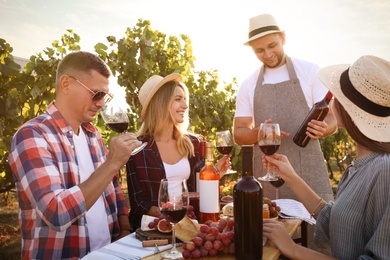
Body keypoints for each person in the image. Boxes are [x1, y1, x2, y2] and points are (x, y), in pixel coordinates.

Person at [8, 51, 142, 259]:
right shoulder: (32, 136)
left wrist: (124, 230)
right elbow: (56, 213)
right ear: (66, 84)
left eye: (105, 96)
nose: (102, 103)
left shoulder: (93, 134)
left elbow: (112, 187)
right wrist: (112, 163)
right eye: (96, 94)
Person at [263, 55, 390, 259]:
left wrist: (293, 249)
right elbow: (334, 222)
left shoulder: (384, 171)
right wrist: (290, 176)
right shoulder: (359, 167)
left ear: (346, 109)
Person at [234, 13, 337, 202]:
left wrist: (325, 128)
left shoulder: (310, 71)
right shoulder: (248, 84)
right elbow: (239, 134)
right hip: (267, 174)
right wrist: (259, 132)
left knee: (315, 229)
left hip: (308, 174)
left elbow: (332, 119)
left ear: (283, 38)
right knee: (270, 226)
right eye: (259, 50)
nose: (267, 54)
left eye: (272, 45)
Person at [126, 73, 230, 231]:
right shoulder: (138, 149)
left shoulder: (192, 144)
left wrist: (214, 176)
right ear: (161, 103)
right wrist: (171, 216)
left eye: (184, 99)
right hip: (152, 230)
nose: (185, 105)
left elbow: (196, 193)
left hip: (189, 225)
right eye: (177, 99)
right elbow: (138, 203)